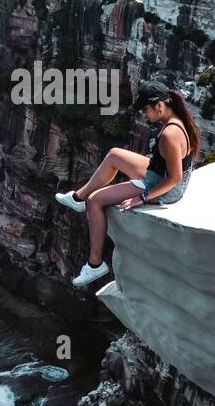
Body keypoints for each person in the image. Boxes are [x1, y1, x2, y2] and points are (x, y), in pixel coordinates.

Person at [54, 80, 202, 286]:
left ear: (159, 105)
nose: (144, 114)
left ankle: (95, 265)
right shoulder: (178, 120)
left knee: (95, 202)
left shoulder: (169, 134)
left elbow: (175, 178)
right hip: (158, 173)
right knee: (114, 155)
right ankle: (79, 197)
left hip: (165, 188)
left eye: (146, 109)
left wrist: (143, 197)